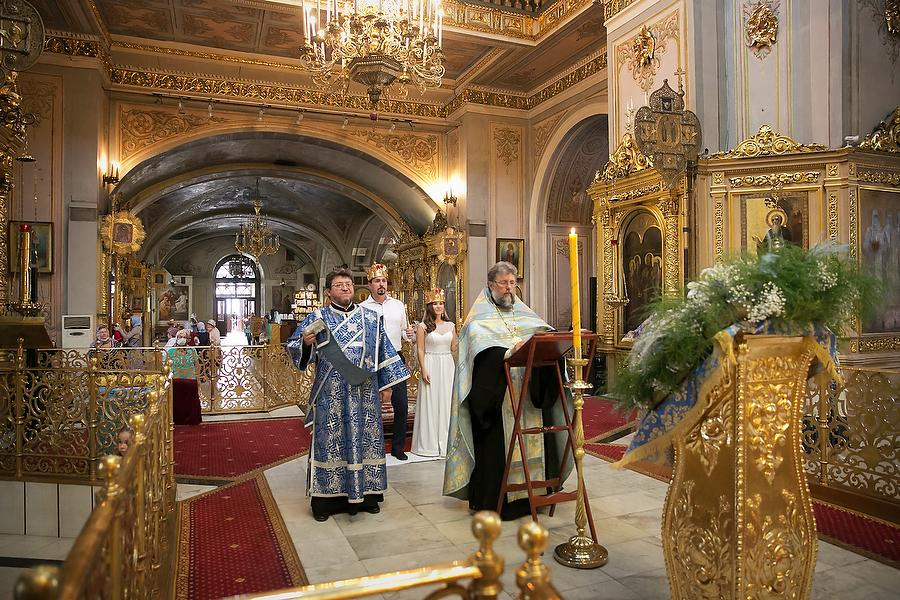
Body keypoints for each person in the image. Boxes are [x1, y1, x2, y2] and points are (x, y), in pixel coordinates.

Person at [443, 261, 572, 520]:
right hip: (497, 399)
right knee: (498, 446)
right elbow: (478, 361)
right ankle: (499, 501)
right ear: (491, 285)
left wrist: (549, 345)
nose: (509, 288)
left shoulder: (527, 316)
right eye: (503, 283)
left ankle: (535, 494)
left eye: (512, 283)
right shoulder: (477, 322)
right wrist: (506, 354)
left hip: (529, 396)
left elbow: (543, 336)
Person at [287, 268, 409, 522]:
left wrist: (386, 387)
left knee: (366, 441)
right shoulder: (317, 318)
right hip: (330, 395)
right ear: (328, 292)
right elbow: (293, 346)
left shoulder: (370, 318)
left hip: (365, 394)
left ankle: (368, 496)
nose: (345, 287)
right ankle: (326, 501)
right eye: (339, 284)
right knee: (330, 443)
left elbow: (385, 352)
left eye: (349, 284)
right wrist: (306, 344)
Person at [360, 262, 415, 460]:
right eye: (377, 281)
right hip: (373, 358)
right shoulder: (362, 308)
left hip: (395, 356)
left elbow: (405, 332)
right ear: (370, 284)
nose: (381, 284)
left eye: (383, 280)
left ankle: (398, 447)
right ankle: (371, 446)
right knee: (371, 403)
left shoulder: (398, 305)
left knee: (401, 403)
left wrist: (410, 334)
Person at [411, 288, 457, 458]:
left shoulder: (451, 326)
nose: (439, 306)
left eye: (441, 303)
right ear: (429, 306)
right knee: (430, 400)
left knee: (446, 401)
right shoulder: (423, 327)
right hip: (430, 363)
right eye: (435, 303)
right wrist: (423, 368)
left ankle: (446, 443)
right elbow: (420, 349)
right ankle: (429, 445)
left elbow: (454, 348)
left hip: (447, 364)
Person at [167, 329, 201, 425]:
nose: (182, 339)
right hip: (176, 380)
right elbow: (167, 367)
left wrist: (198, 378)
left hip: (190, 379)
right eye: (180, 337)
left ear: (187, 339)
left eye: (184, 337)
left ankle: (191, 419)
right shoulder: (171, 351)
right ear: (176, 338)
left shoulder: (192, 350)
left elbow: (197, 365)